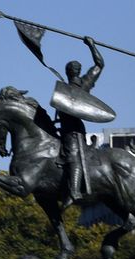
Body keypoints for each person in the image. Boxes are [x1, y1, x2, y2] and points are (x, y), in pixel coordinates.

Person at [56, 36, 105, 201]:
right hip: (63, 128)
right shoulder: (84, 83)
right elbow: (99, 64)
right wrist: (92, 45)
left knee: (73, 156)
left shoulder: (72, 89)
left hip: (73, 131)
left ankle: (75, 191)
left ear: (68, 72)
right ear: (78, 71)